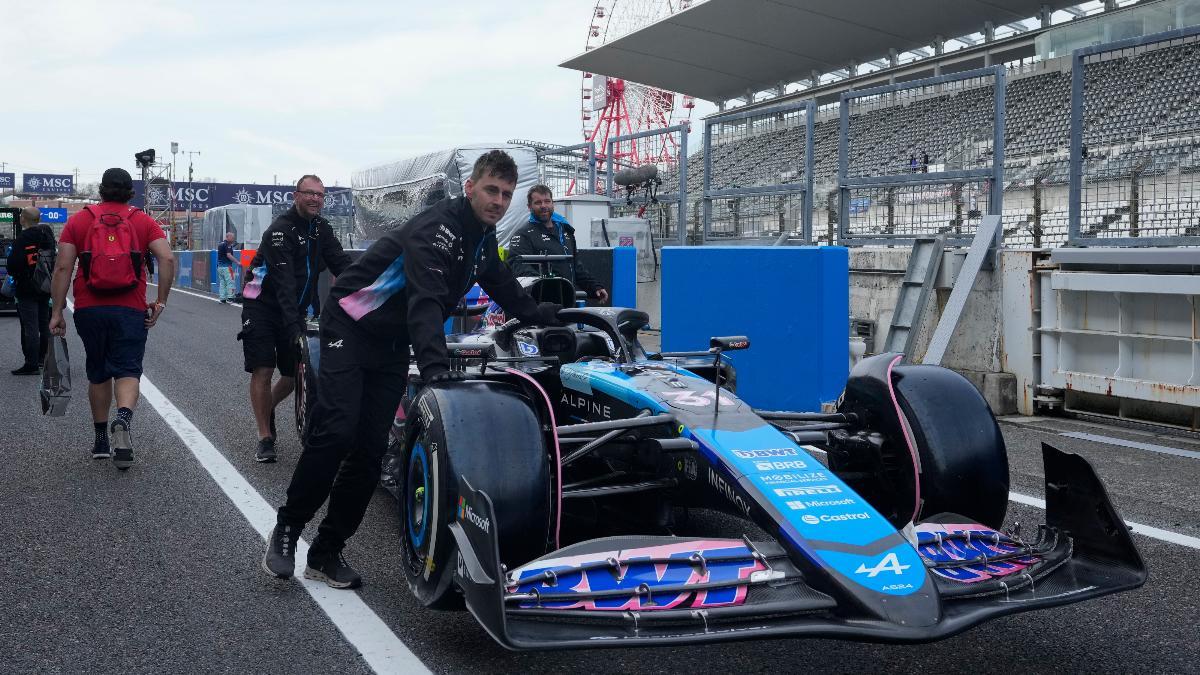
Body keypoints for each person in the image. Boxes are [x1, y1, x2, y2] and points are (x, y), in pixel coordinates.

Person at [262, 150, 562, 589]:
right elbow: (425, 300)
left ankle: (326, 550)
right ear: (470, 188)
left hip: (390, 340)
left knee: (369, 451)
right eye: (491, 190)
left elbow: (503, 285)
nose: (498, 200)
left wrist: (546, 316)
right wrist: (436, 370)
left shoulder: (482, 236)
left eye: (506, 194)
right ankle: (288, 528)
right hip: (350, 320)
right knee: (337, 432)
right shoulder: (437, 228)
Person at [48, 167, 175, 469]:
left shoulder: (79, 221)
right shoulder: (142, 221)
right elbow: (167, 258)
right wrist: (160, 302)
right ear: (131, 193)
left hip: (90, 307)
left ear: (101, 191)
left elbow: (63, 268)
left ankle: (101, 441)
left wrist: (56, 312)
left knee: (99, 370)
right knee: (128, 369)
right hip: (130, 307)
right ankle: (124, 419)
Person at [240, 175, 351, 463]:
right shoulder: (280, 230)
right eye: (309, 193)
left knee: (293, 375)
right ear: (296, 196)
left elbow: (343, 265)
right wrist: (294, 328)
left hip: (296, 308)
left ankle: (268, 407)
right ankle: (265, 437)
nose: (316, 199)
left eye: (321, 195)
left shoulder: (322, 229)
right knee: (263, 369)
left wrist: (371, 288)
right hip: (262, 307)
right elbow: (284, 284)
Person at [506, 185, 609, 303]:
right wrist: (547, 285)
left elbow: (576, 267)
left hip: (568, 300)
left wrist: (595, 287)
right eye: (538, 202)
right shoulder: (523, 235)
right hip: (540, 304)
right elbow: (517, 266)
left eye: (547, 201)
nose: (544, 206)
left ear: (552, 204)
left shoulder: (565, 231)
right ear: (529, 207)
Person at [6, 207, 55, 375]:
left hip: (27, 288)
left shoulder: (23, 238)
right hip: (44, 286)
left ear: (23, 219)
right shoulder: (47, 236)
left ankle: (31, 363)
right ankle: (44, 359)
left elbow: (12, 265)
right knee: (44, 325)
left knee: (30, 326)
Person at [216, 231, 238, 303]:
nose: (233, 238)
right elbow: (229, 255)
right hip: (227, 267)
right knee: (230, 282)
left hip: (220, 267)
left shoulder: (220, 244)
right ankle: (230, 298)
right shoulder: (228, 244)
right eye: (232, 237)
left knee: (222, 282)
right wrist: (237, 262)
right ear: (227, 237)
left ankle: (222, 298)